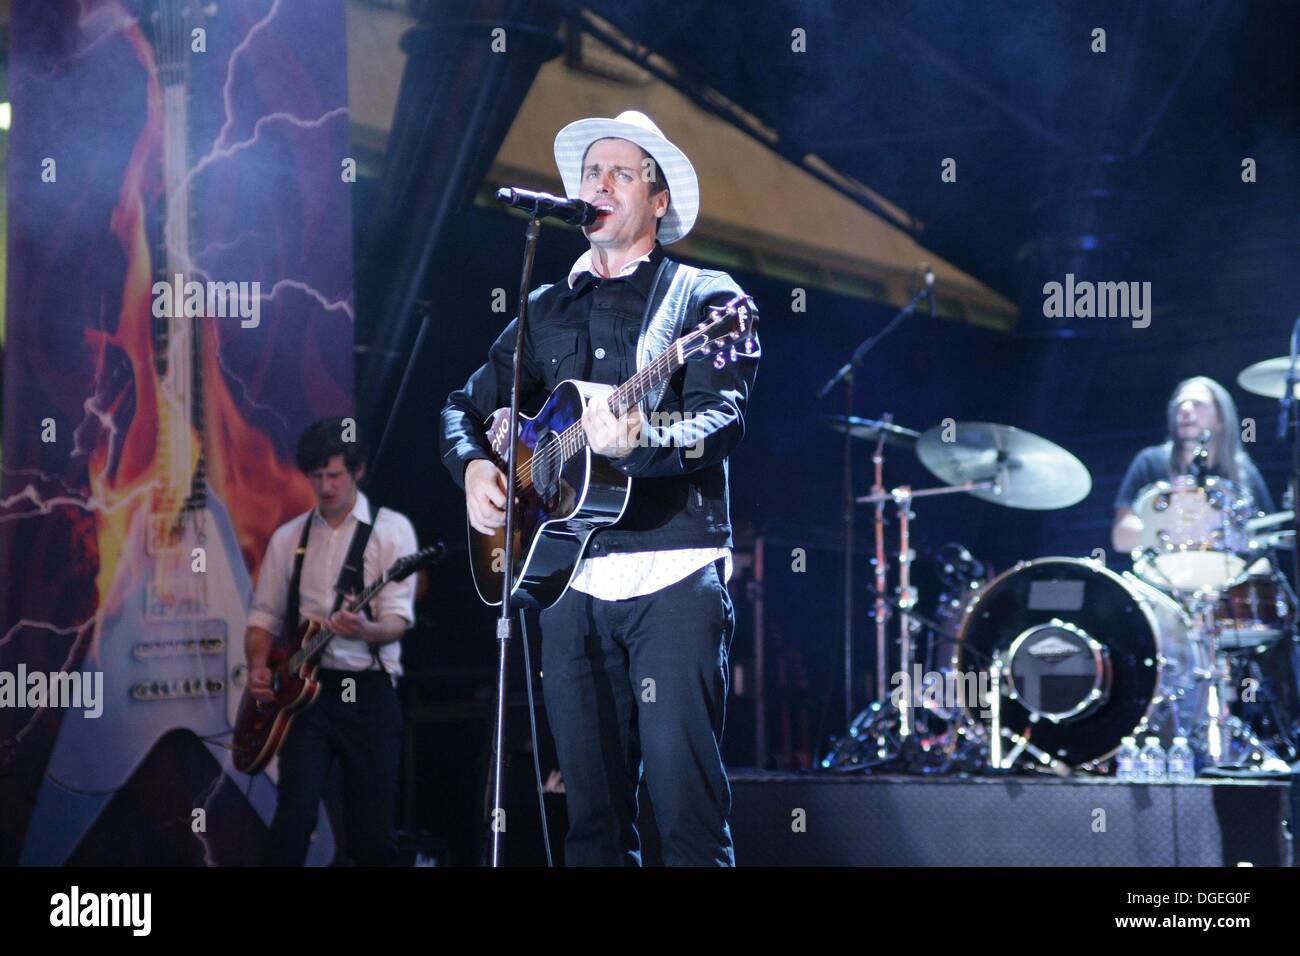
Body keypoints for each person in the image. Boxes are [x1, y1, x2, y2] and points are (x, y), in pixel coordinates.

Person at [440, 111, 759, 865]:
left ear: (657, 200)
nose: (599, 185)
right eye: (590, 173)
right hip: (566, 579)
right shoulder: (544, 306)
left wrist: (644, 437)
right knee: (589, 824)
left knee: (687, 816)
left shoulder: (705, 299)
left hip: (673, 575)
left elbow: (723, 417)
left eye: (621, 172)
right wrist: (476, 468)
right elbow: (463, 405)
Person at [245, 417, 418, 865]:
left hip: (370, 690)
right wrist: (259, 663)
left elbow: (398, 621)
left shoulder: (391, 530)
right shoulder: (289, 539)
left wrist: (365, 630)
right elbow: (263, 617)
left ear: (357, 471)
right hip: (307, 700)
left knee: (371, 831)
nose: (324, 486)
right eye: (317, 476)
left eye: (335, 475)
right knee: (292, 819)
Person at [1113, 376, 1275, 553]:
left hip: (1228, 577)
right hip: (1165, 575)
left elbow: (1266, 540)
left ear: (1221, 419)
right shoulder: (1150, 461)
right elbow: (1121, 538)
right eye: (1179, 405)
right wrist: (1172, 532)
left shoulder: (1243, 471)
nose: (1185, 409)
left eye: (1197, 404)